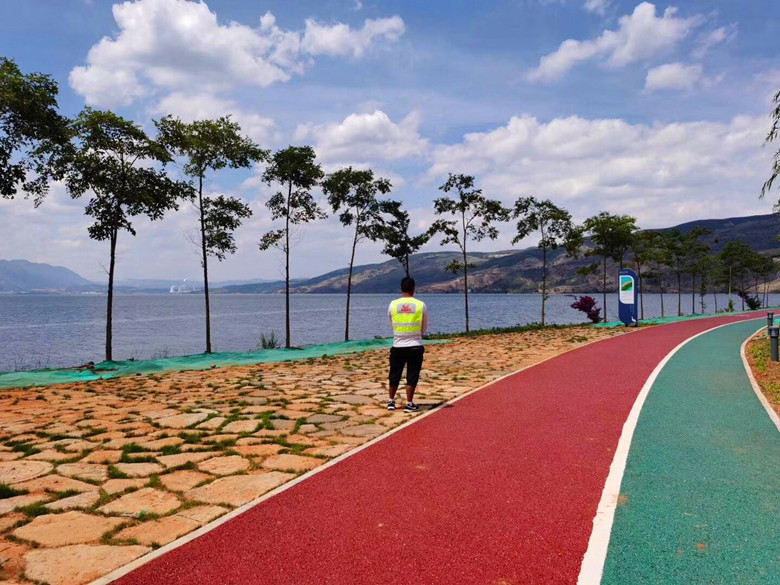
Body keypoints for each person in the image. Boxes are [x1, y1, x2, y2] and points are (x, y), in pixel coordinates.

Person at [387, 276, 428, 413]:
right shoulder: (421, 305)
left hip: (398, 344)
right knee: (412, 374)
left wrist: (398, 334)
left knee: (394, 373)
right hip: (415, 344)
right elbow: (424, 326)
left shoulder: (393, 304)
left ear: (401, 288)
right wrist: (417, 335)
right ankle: (409, 403)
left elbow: (391, 322)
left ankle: (391, 401)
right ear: (413, 289)